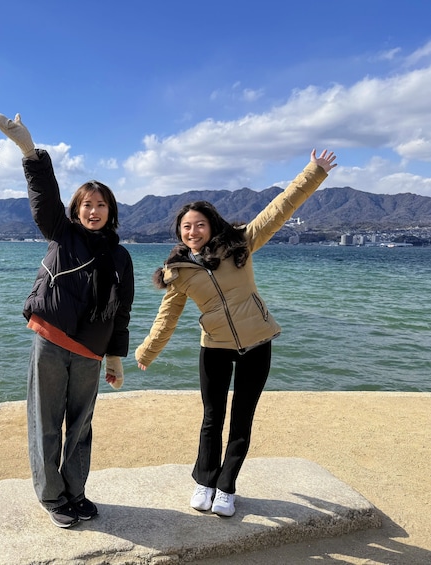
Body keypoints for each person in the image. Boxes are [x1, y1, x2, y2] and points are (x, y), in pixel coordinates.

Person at [135, 149, 337, 517]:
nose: (192, 231)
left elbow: (279, 209)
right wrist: (147, 352)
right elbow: (167, 317)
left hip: (257, 343)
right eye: (186, 227)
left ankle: (227, 487)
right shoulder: (178, 271)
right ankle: (204, 481)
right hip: (214, 347)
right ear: (179, 232)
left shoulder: (240, 243)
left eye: (198, 224)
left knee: (242, 417)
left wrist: (314, 172)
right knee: (212, 417)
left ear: (211, 224)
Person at [0, 111, 135, 528]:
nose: (94, 210)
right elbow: (43, 198)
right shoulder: (61, 233)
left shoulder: (121, 257)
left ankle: (76, 491)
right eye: (87, 205)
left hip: (90, 351)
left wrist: (115, 358)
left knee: (81, 427)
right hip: (51, 342)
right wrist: (29, 150)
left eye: (101, 204)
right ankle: (53, 497)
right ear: (76, 210)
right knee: (46, 423)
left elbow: (121, 311)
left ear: (111, 211)